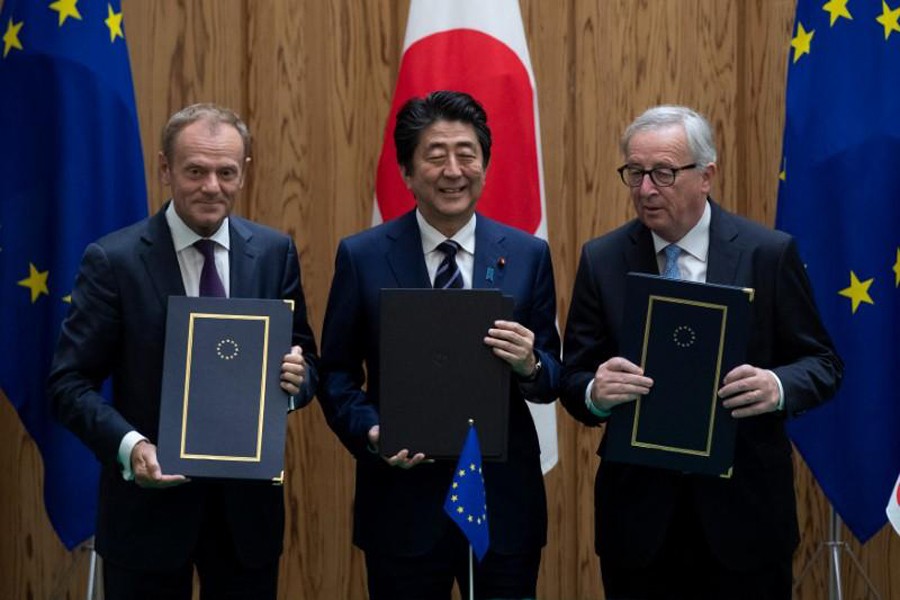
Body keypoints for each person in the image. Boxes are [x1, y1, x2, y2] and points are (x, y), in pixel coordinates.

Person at [560, 105, 843, 599]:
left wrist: (776, 386)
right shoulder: (601, 259)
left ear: (706, 175)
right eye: (634, 172)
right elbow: (573, 377)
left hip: (745, 520)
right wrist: (594, 392)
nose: (646, 189)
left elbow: (822, 364)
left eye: (664, 173)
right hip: (640, 525)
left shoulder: (767, 254)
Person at [48, 103, 318, 599]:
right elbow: (68, 384)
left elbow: (305, 365)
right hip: (146, 512)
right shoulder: (114, 261)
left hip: (246, 520)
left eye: (226, 172)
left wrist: (298, 383)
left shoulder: (274, 252)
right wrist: (132, 448)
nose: (211, 186)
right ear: (165, 169)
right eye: (195, 171)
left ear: (244, 173)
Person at [318, 90, 561, 600]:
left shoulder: (527, 254)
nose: (454, 170)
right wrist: (372, 432)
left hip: (502, 502)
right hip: (401, 504)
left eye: (467, 154)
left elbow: (552, 375)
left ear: (485, 166)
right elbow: (336, 373)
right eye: (435, 155)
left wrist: (529, 364)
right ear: (407, 173)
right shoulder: (362, 257)